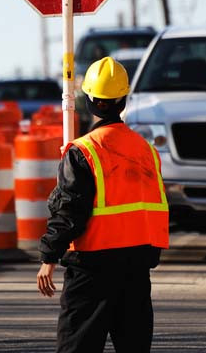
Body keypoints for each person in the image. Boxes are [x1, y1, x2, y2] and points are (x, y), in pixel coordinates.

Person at [36, 56, 169, 353]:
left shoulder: (84, 151)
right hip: (136, 268)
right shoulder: (146, 150)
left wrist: (49, 257)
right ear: (123, 100)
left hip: (91, 269)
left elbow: (71, 210)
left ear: (90, 102)